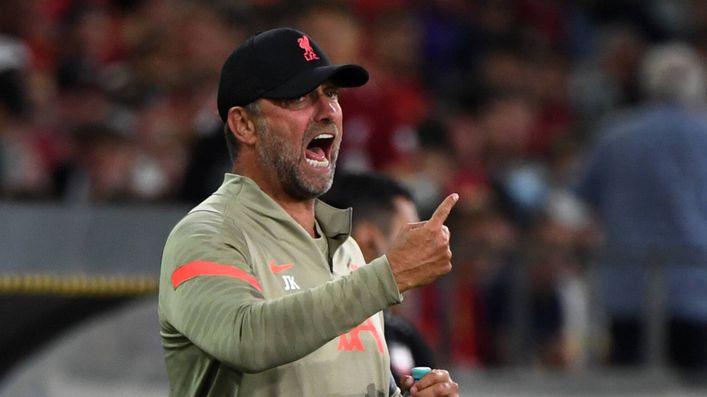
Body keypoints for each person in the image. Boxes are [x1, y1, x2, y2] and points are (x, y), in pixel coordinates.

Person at [158, 27, 460, 397]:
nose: (328, 111)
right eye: (299, 97)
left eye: (331, 94)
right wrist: (387, 277)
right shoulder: (209, 234)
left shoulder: (346, 251)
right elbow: (246, 337)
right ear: (244, 124)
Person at [574, 42, 707, 371]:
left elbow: (578, 201)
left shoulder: (615, 136)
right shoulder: (703, 135)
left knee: (627, 386)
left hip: (627, 289)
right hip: (695, 289)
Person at [320, 171, 438, 383]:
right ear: (369, 240)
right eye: (410, 240)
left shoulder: (406, 338)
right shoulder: (312, 330)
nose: (421, 254)